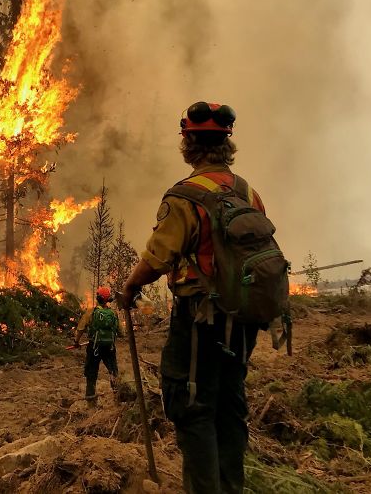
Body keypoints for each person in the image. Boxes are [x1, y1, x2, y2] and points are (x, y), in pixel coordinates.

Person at [121, 101, 267, 494]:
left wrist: (130, 287)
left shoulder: (185, 196)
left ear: (188, 144)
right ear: (226, 145)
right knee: (229, 407)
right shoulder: (248, 193)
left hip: (202, 321)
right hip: (244, 321)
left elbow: (159, 255)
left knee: (192, 406)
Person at [75, 286, 121, 402]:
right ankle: (118, 396)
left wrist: (76, 342)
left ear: (97, 298)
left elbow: (80, 329)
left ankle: (90, 399)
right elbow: (122, 332)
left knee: (91, 372)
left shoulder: (91, 312)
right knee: (113, 371)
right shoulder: (113, 313)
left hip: (94, 347)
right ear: (108, 299)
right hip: (110, 347)